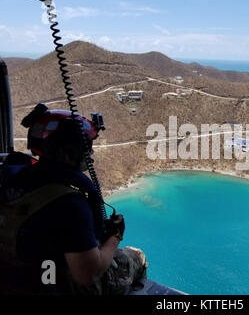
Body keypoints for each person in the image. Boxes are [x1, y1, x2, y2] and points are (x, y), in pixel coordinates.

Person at [0, 103, 147, 295]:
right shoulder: (69, 204)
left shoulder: (11, 177)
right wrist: (116, 236)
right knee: (137, 256)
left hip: (13, 278)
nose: (91, 154)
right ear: (70, 152)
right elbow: (88, 275)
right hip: (51, 285)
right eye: (86, 148)